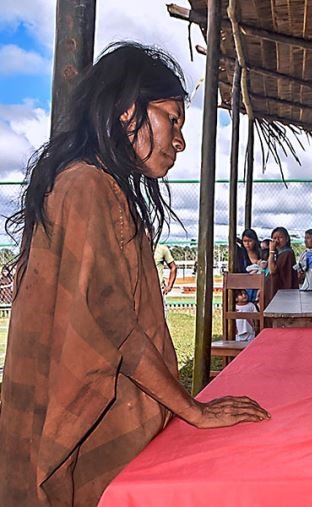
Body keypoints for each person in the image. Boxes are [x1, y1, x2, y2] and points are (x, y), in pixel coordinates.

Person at [0, 42, 270, 505]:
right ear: (128, 113)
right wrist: (193, 410)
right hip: (76, 429)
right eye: (172, 119)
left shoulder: (91, 184)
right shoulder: (87, 186)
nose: (180, 141)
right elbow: (109, 323)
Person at [268, 226, 298, 296]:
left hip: (283, 292)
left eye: (280, 238)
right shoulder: (277, 253)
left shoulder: (287, 253)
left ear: (287, 239)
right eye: (274, 238)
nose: (277, 241)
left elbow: (273, 270)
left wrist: (271, 251)